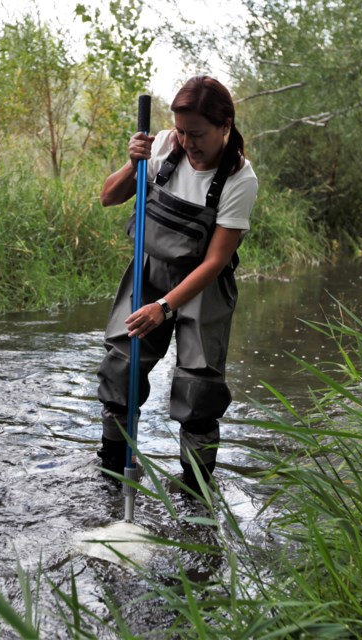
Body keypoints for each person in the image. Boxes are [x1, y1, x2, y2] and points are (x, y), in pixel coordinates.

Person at [95, 76, 258, 491]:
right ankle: (112, 473)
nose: (187, 142)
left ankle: (195, 491)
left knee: (198, 388)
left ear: (225, 125)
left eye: (197, 134)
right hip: (149, 272)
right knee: (122, 368)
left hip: (203, 285)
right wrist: (134, 164)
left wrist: (164, 307)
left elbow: (216, 261)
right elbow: (109, 197)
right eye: (181, 131)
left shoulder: (239, 179)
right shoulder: (165, 145)